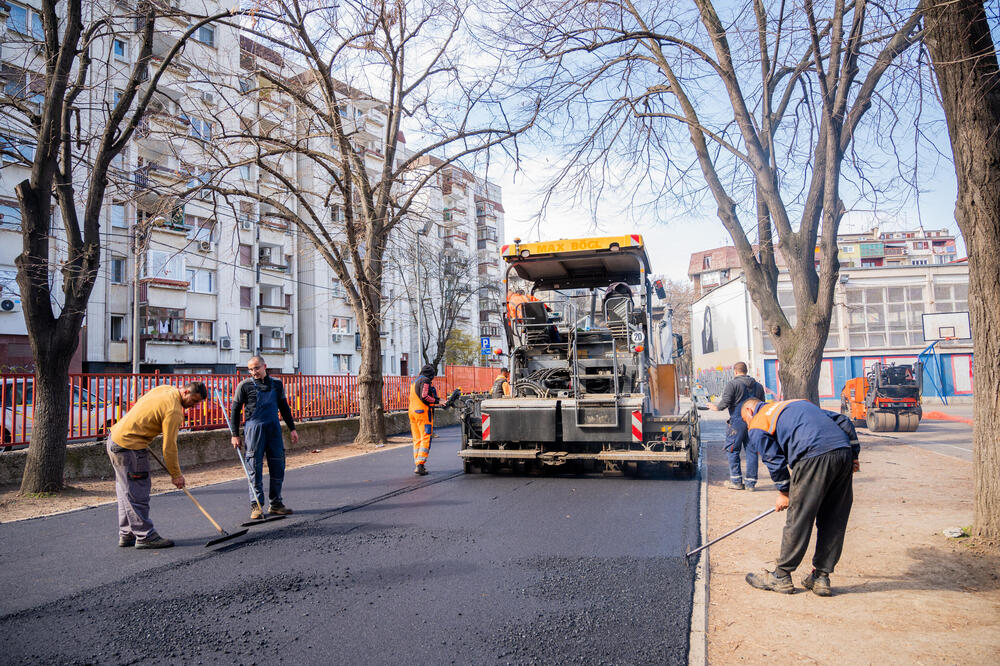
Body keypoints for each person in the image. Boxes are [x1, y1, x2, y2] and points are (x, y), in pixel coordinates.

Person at [741, 398, 860, 597]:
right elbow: (844, 422)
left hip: (812, 455)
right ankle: (821, 577)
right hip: (842, 453)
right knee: (834, 517)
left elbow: (773, 460)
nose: (747, 425)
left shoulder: (758, 422)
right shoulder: (796, 404)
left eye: (745, 420)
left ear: (749, 410)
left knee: (799, 517)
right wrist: (854, 455)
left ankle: (781, 576)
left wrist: (784, 492)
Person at [106, 382, 208, 549]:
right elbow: (169, 447)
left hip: (116, 439)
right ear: (186, 391)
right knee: (138, 493)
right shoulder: (174, 411)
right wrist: (176, 474)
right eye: (194, 400)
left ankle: (128, 533)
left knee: (126, 492)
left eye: (198, 403)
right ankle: (145, 535)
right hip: (130, 447)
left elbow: (142, 404)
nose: (194, 405)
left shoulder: (165, 389)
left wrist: (142, 429)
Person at [230, 356, 299, 520]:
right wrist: (234, 434)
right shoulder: (244, 386)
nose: (254, 372)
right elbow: (235, 410)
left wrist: (292, 429)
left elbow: (284, 407)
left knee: (278, 465)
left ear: (264, 366)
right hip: (254, 430)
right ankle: (256, 505)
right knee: (254, 467)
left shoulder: (276, 384)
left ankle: (276, 504)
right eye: (251, 369)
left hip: (274, 429)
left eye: (256, 368)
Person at [708, 362, 766, 490]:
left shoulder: (732, 384)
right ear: (746, 370)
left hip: (737, 422)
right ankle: (751, 483)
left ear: (735, 371)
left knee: (733, 450)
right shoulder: (758, 386)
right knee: (752, 451)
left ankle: (736, 481)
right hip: (753, 422)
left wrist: (716, 407)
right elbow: (762, 404)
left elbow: (726, 402)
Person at [409, 364, 439, 475]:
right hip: (422, 413)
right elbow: (425, 396)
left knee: (417, 439)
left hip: (412, 412)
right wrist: (437, 401)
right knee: (425, 437)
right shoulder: (425, 380)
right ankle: (420, 464)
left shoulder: (415, 381)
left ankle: (418, 463)